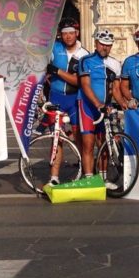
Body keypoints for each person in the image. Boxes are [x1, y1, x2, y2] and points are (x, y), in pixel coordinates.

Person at [46, 18, 88, 185]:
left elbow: (79, 81)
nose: (68, 36)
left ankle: (86, 172)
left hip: (75, 99)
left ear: (77, 33)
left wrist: (57, 71)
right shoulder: (54, 48)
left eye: (71, 33)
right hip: (56, 97)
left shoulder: (84, 54)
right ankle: (54, 177)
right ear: (60, 35)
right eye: (65, 34)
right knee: (57, 139)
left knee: (80, 137)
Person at [77, 29, 122, 180]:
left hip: (104, 107)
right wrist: (97, 104)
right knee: (88, 145)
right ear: (96, 43)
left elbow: (116, 89)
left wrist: (125, 104)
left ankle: (103, 179)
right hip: (88, 106)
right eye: (102, 44)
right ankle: (89, 179)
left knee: (104, 145)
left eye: (108, 45)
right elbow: (85, 85)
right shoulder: (86, 60)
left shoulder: (115, 63)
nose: (105, 47)